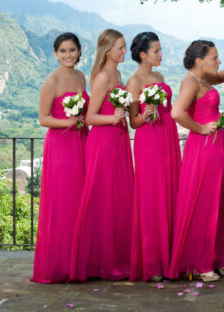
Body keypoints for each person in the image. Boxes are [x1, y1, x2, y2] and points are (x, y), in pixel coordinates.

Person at [168, 40, 224, 281]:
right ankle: (201, 263)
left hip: (215, 148)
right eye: (214, 58)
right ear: (198, 61)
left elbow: (219, 77)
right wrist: (200, 128)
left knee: (217, 201)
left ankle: (215, 257)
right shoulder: (190, 82)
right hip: (203, 148)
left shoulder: (204, 78)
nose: (218, 61)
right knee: (204, 203)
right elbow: (177, 113)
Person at [70, 29, 134, 281]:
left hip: (118, 140)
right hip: (103, 143)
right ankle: (101, 262)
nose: (124, 51)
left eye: (125, 46)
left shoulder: (117, 74)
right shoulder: (101, 78)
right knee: (104, 201)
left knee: (119, 200)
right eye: (120, 47)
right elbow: (89, 118)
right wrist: (114, 116)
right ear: (107, 50)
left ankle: (119, 257)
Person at [32, 33, 89, 283]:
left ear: (79, 52)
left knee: (80, 203)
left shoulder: (80, 76)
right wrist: (68, 122)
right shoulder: (52, 80)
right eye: (63, 51)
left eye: (72, 50)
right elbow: (43, 118)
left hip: (81, 143)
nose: (68, 55)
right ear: (56, 53)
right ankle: (59, 265)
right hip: (60, 148)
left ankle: (79, 261)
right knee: (63, 203)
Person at [127, 32, 181, 281]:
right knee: (152, 197)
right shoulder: (134, 81)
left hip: (168, 137)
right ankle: (152, 262)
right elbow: (134, 122)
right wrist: (146, 113)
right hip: (149, 141)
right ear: (142, 55)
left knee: (171, 194)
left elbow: (170, 109)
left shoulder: (159, 76)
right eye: (156, 51)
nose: (161, 54)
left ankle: (171, 256)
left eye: (160, 50)